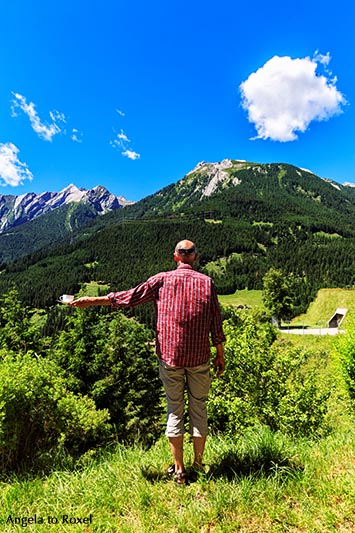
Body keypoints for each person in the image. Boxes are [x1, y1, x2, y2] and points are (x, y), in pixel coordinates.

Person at [69, 239, 226, 484]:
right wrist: (220, 353)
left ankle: (179, 469)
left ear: (175, 257)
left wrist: (92, 301)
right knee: (199, 409)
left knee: (175, 409)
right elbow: (216, 321)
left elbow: (129, 297)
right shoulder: (207, 283)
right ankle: (198, 464)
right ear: (194, 257)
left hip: (170, 358)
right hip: (199, 358)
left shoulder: (161, 280)